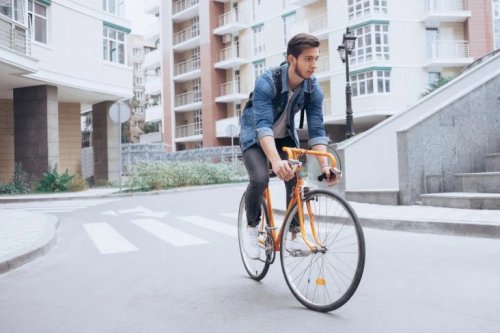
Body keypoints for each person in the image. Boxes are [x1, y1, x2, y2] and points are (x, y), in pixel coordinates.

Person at [239, 33, 339, 258]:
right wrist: (275, 161)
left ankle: (293, 236)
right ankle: (251, 227)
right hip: (255, 135)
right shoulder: (267, 81)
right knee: (260, 178)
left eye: (316, 58)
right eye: (307, 59)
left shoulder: (313, 89)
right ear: (291, 59)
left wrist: (324, 166)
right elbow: (263, 126)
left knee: (296, 180)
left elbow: (317, 130)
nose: (314, 65)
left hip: (283, 136)